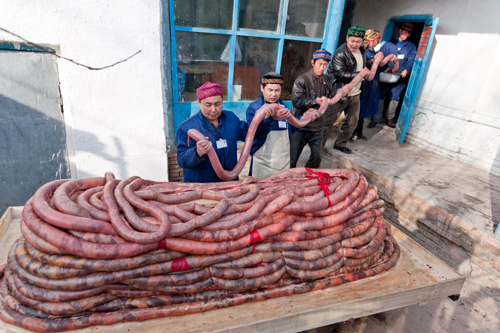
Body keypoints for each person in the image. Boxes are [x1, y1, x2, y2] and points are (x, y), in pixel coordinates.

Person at [176, 82, 249, 183]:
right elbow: (181, 160)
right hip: (202, 188)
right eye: (208, 105)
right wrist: (197, 152)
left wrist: (265, 119)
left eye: (217, 104)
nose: (213, 109)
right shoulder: (187, 128)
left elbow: (249, 133)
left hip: (230, 185)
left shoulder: (231, 119)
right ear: (199, 103)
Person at [324, 25, 373, 154]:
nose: (354, 44)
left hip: (355, 94)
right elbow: (339, 74)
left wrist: (375, 59)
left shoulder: (361, 51)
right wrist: (360, 74)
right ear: (347, 38)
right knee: (327, 121)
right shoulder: (341, 53)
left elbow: (364, 65)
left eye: (358, 41)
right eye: (352, 41)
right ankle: (318, 144)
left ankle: (340, 144)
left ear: (362, 41)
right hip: (339, 93)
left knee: (352, 122)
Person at [290, 49, 332, 168]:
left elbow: (331, 96)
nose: (322, 68)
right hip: (301, 126)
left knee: (317, 157)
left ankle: (308, 178)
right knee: (291, 159)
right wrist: (315, 101)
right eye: (320, 64)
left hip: (317, 127)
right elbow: (296, 101)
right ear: (313, 62)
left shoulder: (327, 80)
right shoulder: (302, 79)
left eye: (325, 65)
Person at [353, 29, 398, 140]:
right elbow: (370, 66)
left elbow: (378, 68)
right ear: (371, 39)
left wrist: (386, 62)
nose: (378, 41)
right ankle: (351, 132)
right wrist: (386, 58)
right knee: (358, 110)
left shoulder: (372, 51)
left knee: (363, 111)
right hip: (364, 85)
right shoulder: (363, 52)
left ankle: (358, 131)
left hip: (372, 85)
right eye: (377, 39)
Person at [370, 22, 417, 128]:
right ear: (400, 31)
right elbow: (380, 55)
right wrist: (381, 66)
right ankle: (376, 118)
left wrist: (406, 70)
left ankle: (390, 119)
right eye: (405, 32)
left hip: (399, 77)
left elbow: (411, 60)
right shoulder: (389, 43)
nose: (407, 34)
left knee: (395, 97)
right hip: (385, 75)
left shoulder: (410, 47)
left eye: (409, 33)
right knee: (380, 96)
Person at [246, 72, 292, 179]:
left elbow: (290, 130)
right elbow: (254, 134)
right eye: (270, 90)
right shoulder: (254, 108)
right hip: (262, 163)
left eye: (277, 90)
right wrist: (271, 119)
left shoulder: (284, 106)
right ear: (262, 88)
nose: (274, 94)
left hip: (282, 163)